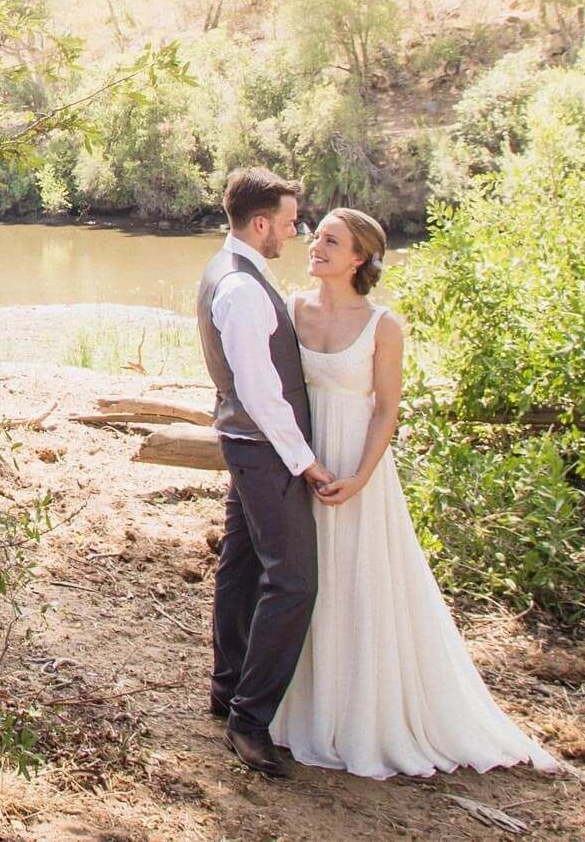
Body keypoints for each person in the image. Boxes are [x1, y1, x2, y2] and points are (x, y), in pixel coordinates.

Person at [268, 207, 563, 779]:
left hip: (357, 465)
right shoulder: (292, 309)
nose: (315, 246)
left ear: (359, 258)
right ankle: (294, 705)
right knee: (303, 580)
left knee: (358, 580)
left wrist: (359, 476)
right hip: (304, 458)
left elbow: (386, 410)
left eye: (331, 241)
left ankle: (361, 716)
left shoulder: (384, 325)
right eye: (316, 237)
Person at [195, 167, 332, 779]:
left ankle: (228, 691)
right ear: (259, 223)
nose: (294, 230)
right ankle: (250, 721)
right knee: (294, 580)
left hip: (247, 443)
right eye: (287, 221)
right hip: (264, 448)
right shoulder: (242, 288)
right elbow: (258, 389)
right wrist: (304, 461)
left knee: (243, 565)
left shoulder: (233, 270)